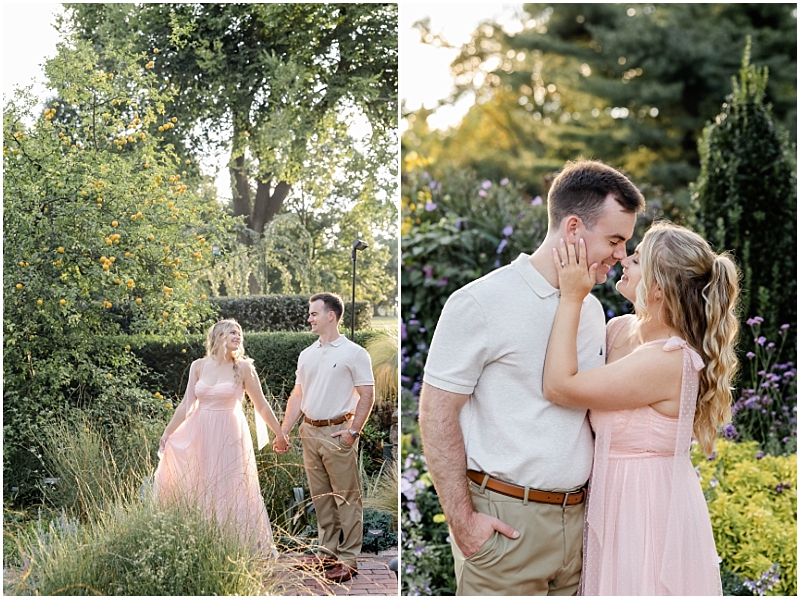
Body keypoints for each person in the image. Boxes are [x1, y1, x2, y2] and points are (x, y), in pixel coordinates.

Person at [419, 160, 645, 595]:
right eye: (615, 240)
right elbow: (435, 412)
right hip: (506, 528)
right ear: (574, 228)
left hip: (581, 529)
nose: (621, 256)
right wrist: (463, 523)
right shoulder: (480, 302)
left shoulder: (593, 312)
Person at [543, 222, 739, 595]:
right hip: (609, 495)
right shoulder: (618, 330)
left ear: (657, 289)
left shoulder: (669, 359)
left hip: (646, 506)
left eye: (635, 259)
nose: (623, 260)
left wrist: (572, 297)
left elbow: (560, 386)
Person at [154, 319, 289, 557]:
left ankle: (236, 547)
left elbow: (262, 406)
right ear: (218, 336)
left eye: (240, 334)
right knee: (202, 485)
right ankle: (205, 545)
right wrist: (168, 432)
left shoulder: (243, 368)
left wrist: (279, 434)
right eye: (233, 333)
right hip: (200, 432)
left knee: (231, 487)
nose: (238, 337)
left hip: (230, 434)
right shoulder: (198, 366)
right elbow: (186, 404)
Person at [278, 292, 375, 583]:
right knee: (321, 497)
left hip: (337, 433)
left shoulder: (355, 353)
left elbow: (367, 395)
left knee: (346, 498)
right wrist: (284, 431)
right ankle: (327, 554)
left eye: (313, 313)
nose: (309, 318)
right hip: (309, 431)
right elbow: (298, 395)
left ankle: (349, 559)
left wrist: (353, 432)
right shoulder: (306, 354)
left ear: (330, 316)